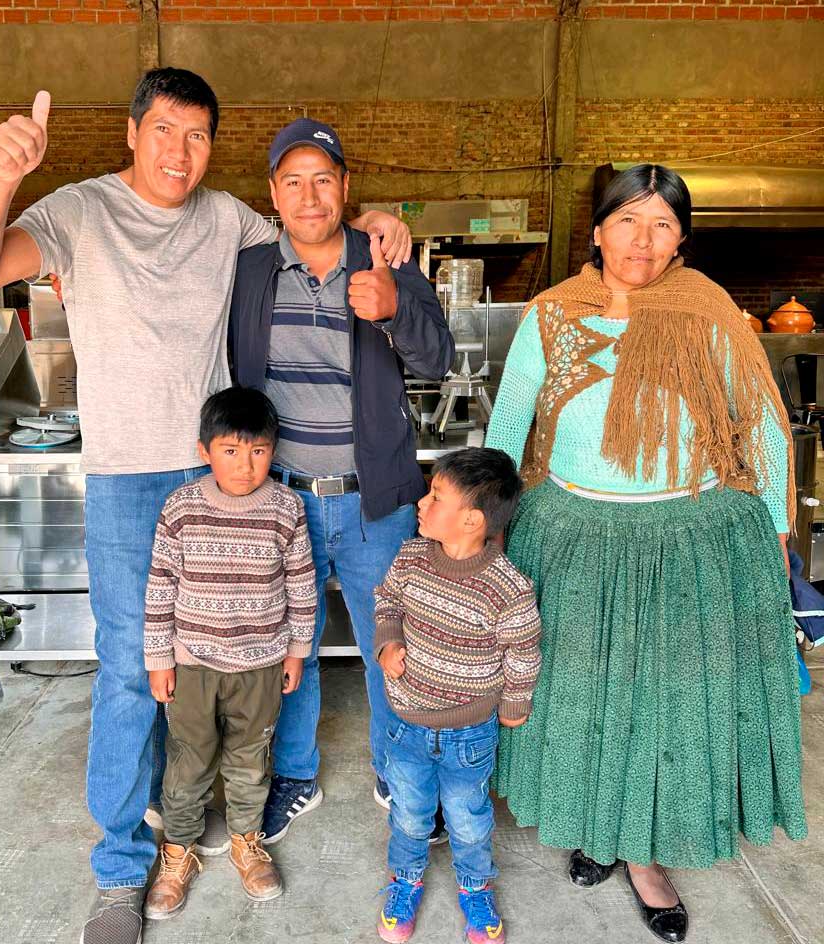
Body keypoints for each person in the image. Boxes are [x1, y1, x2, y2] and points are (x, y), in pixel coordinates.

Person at [0, 69, 409, 944]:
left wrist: (379, 223)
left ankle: (199, 818)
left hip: (222, 478)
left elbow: (312, 226)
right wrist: (3, 176)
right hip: (126, 481)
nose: (179, 152)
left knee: (228, 656)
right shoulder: (79, 211)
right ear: (132, 132)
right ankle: (123, 867)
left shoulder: (228, 218)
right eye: (164, 130)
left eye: (197, 137)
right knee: (130, 668)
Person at [486, 163, 806, 943]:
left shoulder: (708, 311)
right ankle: (597, 829)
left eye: (662, 224)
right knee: (583, 697)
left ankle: (647, 858)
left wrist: (774, 532)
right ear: (597, 231)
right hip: (575, 538)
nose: (643, 238)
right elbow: (510, 423)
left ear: (681, 240)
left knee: (665, 708)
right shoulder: (553, 315)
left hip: (684, 539)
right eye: (628, 219)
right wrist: (488, 525)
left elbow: (763, 423)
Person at [228, 117, 455, 843]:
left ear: (345, 187)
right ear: (273, 193)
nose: (309, 195)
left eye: (323, 179)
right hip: (280, 497)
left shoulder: (386, 258)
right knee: (286, 646)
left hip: (373, 503)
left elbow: (437, 360)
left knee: (393, 646)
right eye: (293, 181)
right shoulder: (251, 271)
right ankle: (295, 775)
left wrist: (394, 311)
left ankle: (398, 773)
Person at [142, 386, 316, 920]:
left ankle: (246, 841)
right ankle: (178, 853)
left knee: (250, 759)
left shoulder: (286, 508)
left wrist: (296, 652)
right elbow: (160, 586)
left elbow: (301, 586)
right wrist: (159, 659)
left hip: (261, 664)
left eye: (259, 451)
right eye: (231, 451)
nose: (246, 465)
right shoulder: (182, 507)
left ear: (274, 450)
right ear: (205, 451)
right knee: (188, 761)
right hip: (193, 663)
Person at [372, 448, 541, 944]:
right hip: (407, 724)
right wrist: (387, 642)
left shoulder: (508, 588)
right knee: (409, 813)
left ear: (471, 520)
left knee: (469, 819)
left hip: (470, 733)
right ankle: (404, 881)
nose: (422, 504)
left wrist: (515, 702)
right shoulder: (410, 558)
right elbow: (387, 601)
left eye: (436, 496)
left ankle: (474, 887)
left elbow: (523, 648)